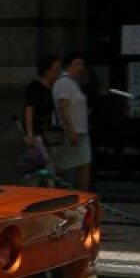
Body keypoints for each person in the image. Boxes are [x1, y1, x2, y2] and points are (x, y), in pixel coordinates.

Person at [53, 50, 92, 190]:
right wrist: (71, 131)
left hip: (79, 131)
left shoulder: (73, 83)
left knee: (81, 164)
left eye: (82, 64)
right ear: (68, 66)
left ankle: (79, 196)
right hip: (72, 132)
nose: (80, 67)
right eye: (76, 64)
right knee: (72, 166)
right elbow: (63, 107)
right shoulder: (65, 83)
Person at [23, 53, 61, 169]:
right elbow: (29, 109)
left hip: (48, 134)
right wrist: (30, 133)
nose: (58, 73)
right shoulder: (36, 87)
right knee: (44, 164)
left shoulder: (50, 89)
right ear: (47, 71)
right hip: (38, 133)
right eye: (56, 69)